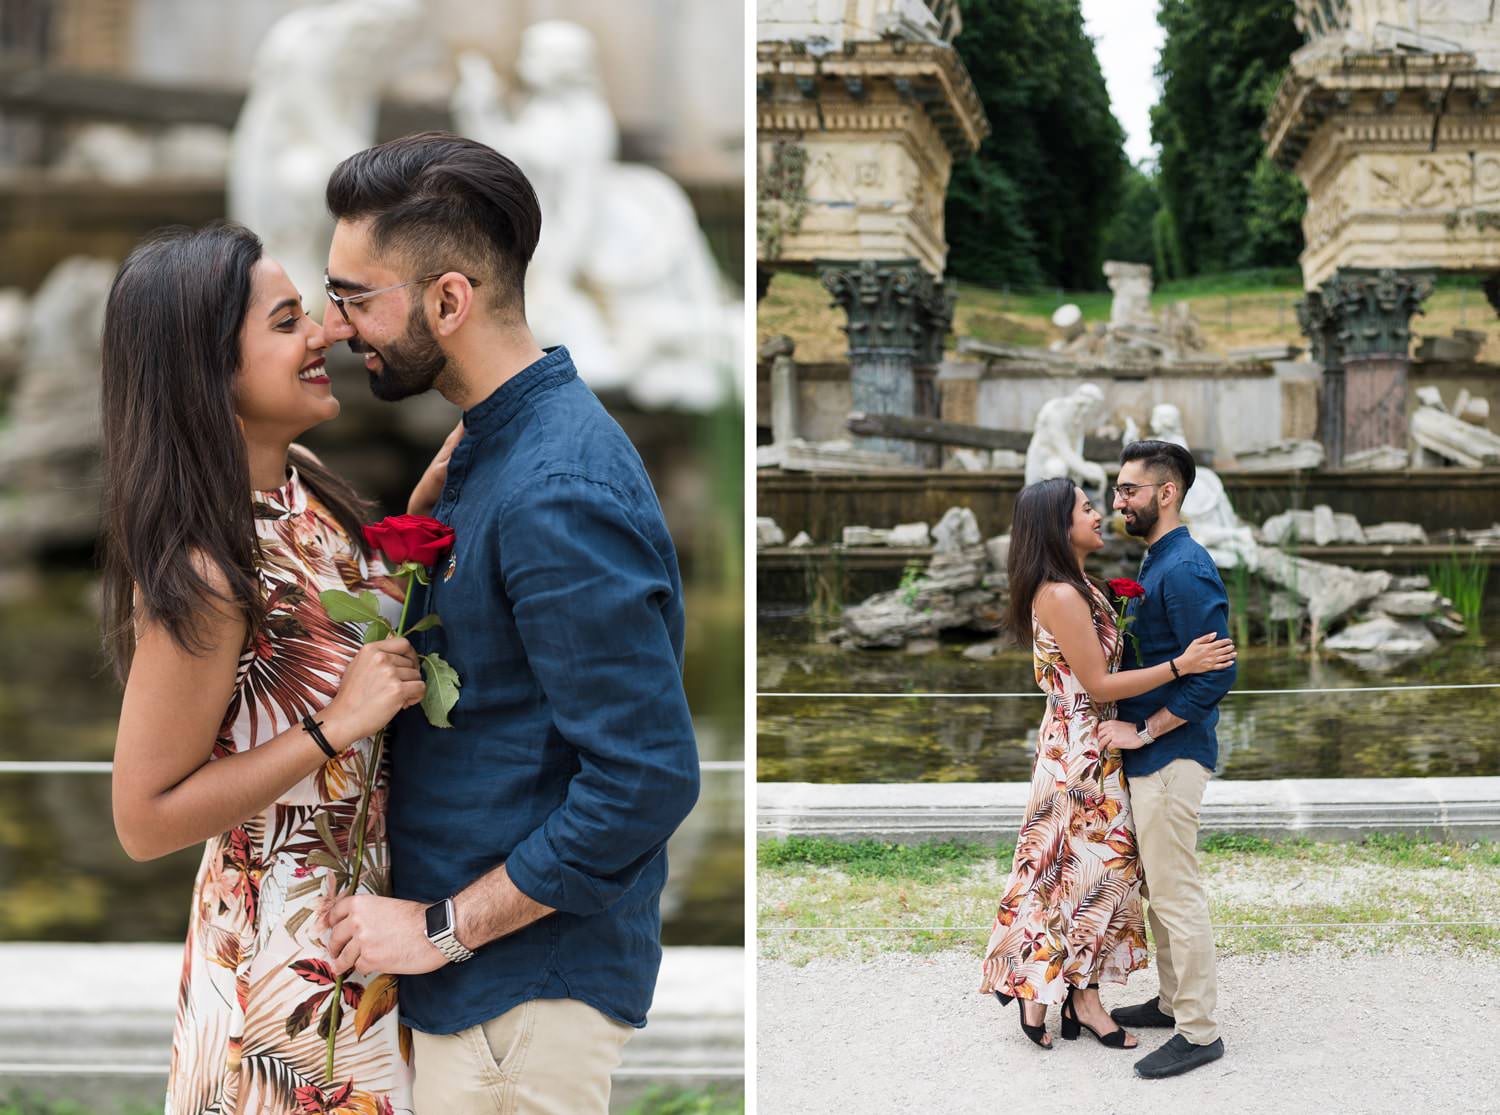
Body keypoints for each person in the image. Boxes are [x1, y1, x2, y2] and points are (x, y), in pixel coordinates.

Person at [316, 132, 701, 1115]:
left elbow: (645, 776)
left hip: (522, 1003)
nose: (335, 323)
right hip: (488, 996)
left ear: (448, 300)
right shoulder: (497, 450)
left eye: (356, 295)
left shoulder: (551, 486)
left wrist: (438, 928)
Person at [102, 222, 431, 1111]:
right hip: (282, 972)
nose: (324, 332)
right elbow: (143, 818)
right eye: (287, 323)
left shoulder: (306, 484)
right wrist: (331, 728)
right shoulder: (209, 571)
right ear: (211, 371)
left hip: (366, 941)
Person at [979, 476, 1235, 1053]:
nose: (1102, 513)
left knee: (1100, 877)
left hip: (1097, 743)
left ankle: (1079, 993)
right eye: (1088, 508)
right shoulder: (1061, 594)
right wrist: (1181, 665)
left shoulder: (1080, 585)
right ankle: (1043, 988)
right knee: (1065, 874)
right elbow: (1095, 683)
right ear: (1056, 526)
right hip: (1078, 749)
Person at [1098, 439, 1238, 1079]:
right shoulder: (1159, 561)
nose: (1118, 500)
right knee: (1160, 890)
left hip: (1174, 755)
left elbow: (1214, 676)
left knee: (1178, 895)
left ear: (1166, 493)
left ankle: (1200, 1030)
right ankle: (1171, 1000)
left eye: (1129, 489)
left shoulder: (1185, 569)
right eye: (1118, 489)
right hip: (1154, 757)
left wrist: (1147, 729)